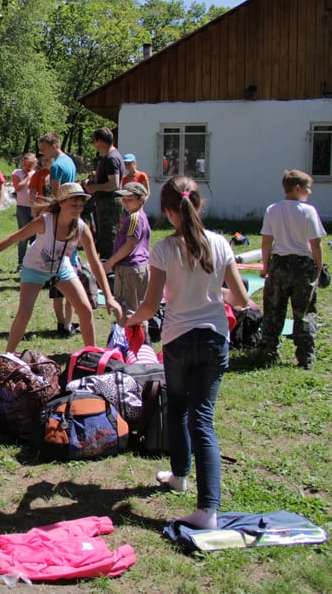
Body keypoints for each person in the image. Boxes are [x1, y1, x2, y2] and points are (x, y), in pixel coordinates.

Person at [124, 176, 249, 530]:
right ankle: (180, 478)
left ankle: (206, 510)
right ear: (199, 204)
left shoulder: (164, 249)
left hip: (179, 341)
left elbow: (151, 305)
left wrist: (130, 320)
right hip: (213, 341)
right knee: (199, 416)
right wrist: (215, 296)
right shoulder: (221, 244)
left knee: (182, 410)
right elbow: (240, 299)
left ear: (167, 211)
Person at [0, 182, 122, 352]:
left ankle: (91, 356)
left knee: (85, 309)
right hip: (34, 268)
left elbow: (95, 262)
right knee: (25, 312)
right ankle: (9, 355)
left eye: (80, 206)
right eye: (73, 205)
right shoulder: (45, 222)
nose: (78, 209)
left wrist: (109, 297)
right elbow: (12, 239)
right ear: (62, 203)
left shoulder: (81, 228)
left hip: (61, 268)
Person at [257, 170, 326, 369]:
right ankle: (305, 356)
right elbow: (315, 243)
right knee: (304, 310)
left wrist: (265, 266)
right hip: (303, 265)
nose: (310, 192)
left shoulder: (273, 210)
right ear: (297, 188)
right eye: (308, 188)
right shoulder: (308, 211)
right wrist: (319, 267)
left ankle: (268, 350)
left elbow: (266, 241)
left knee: (273, 308)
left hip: (279, 264)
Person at [36, 132, 79, 335]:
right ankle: (69, 324)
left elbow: (54, 196)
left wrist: (45, 215)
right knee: (72, 268)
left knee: (59, 274)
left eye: (43, 148)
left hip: (60, 220)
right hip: (72, 218)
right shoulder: (69, 162)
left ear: (54, 146)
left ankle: (61, 324)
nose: (42, 152)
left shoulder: (56, 166)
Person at [102, 181, 151, 314]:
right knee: (139, 310)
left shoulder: (134, 218)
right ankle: (140, 334)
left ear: (141, 200)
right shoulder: (141, 217)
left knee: (125, 310)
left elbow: (130, 244)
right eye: (123, 199)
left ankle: (126, 334)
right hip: (141, 267)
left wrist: (110, 262)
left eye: (130, 199)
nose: (125, 203)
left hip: (129, 268)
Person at [82, 128, 125, 260]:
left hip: (109, 204)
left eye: (95, 141)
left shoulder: (112, 158)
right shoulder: (110, 157)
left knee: (108, 238)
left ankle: (108, 270)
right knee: (103, 237)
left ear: (100, 141)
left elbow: (114, 184)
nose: (94, 145)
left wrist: (94, 187)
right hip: (104, 203)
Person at [12, 153, 38, 269]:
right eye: (25, 164)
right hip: (22, 207)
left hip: (34, 207)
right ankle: (20, 263)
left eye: (30, 165)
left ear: (35, 165)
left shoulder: (37, 174)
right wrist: (28, 177)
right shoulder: (17, 173)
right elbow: (18, 188)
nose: (27, 167)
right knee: (22, 235)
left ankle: (33, 262)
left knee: (35, 236)